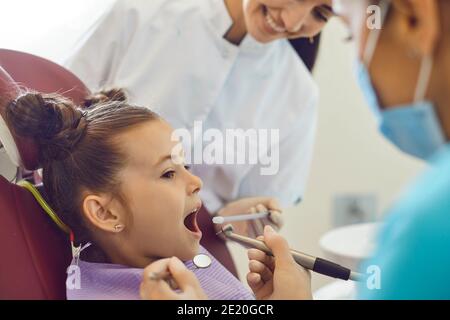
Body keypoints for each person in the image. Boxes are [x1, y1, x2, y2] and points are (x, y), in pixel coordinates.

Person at [141, 0, 450, 300]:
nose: (291, 23)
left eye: (349, 31)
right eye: (168, 171)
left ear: (415, 18)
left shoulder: (430, 221)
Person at [64, 0, 333, 240]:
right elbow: (55, 108)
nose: (292, 22)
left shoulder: (299, 95)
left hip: (183, 257)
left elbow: (233, 215)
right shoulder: (141, 9)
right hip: (71, 224)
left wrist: (229, 217)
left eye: (320, 13)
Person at [4, 89, 283, 299]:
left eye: (185, 165)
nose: (196, 181)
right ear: (106, 212)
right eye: (168, 173)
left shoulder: (170, 249)